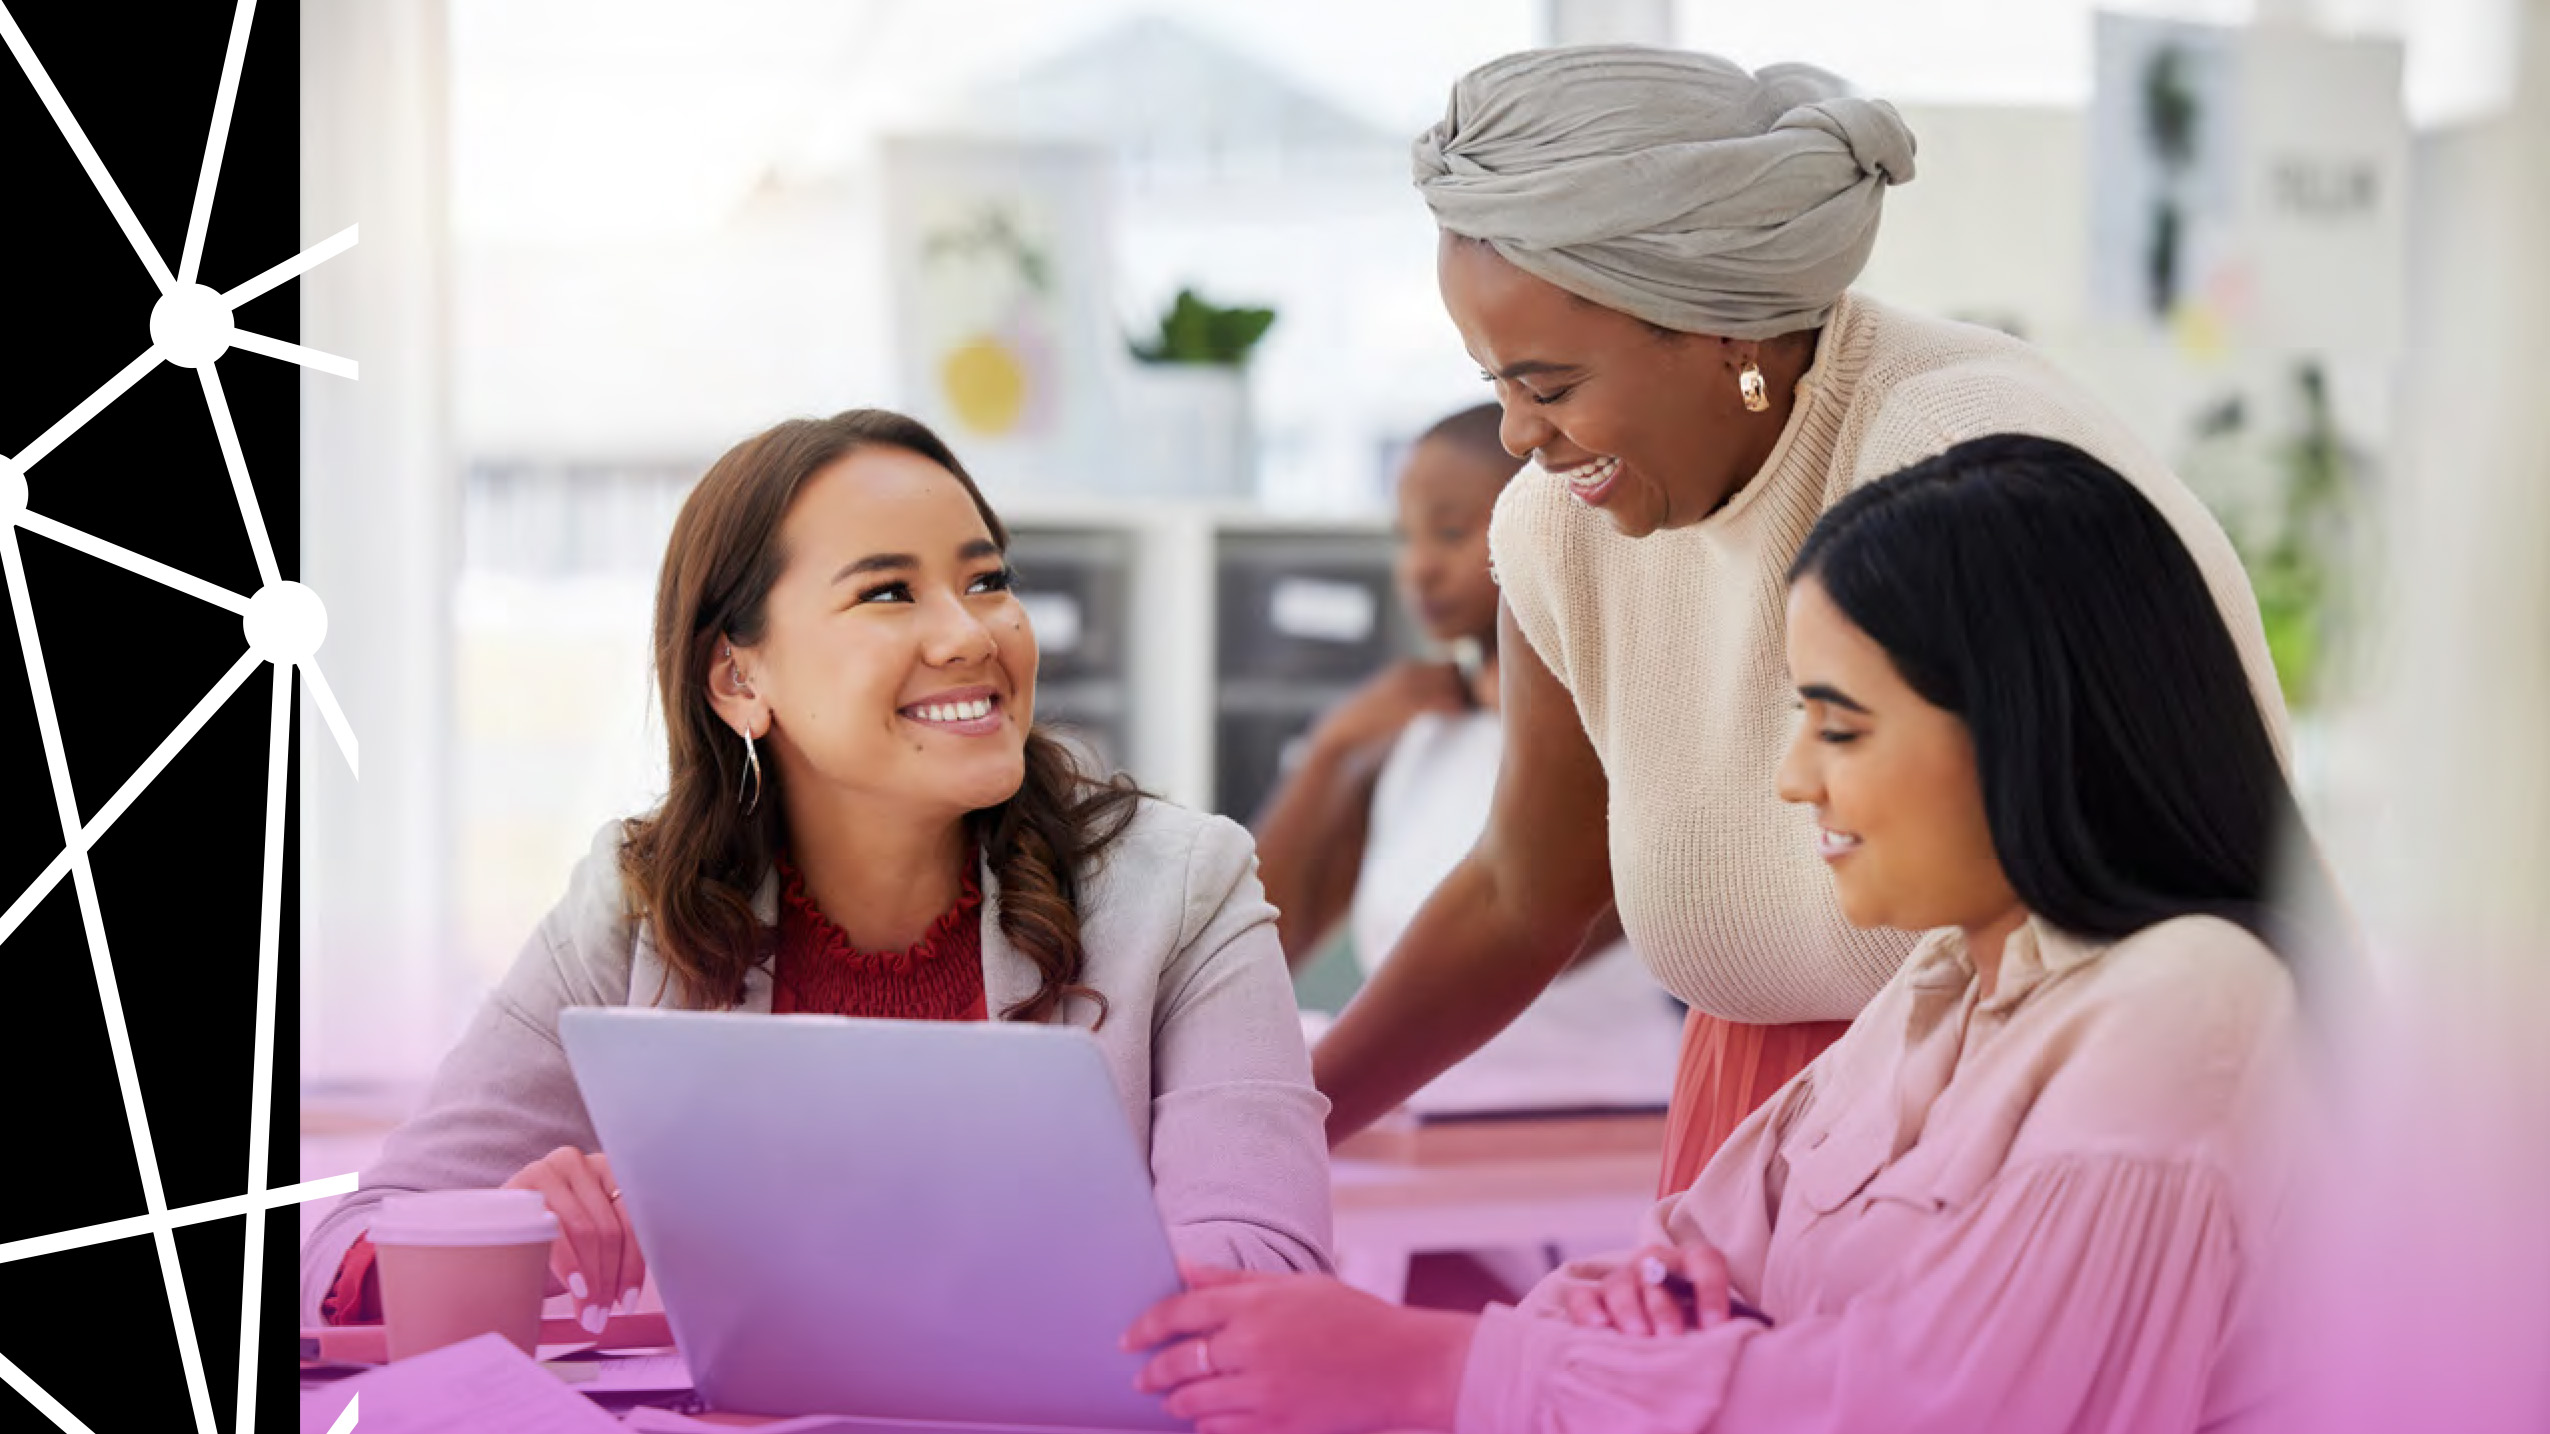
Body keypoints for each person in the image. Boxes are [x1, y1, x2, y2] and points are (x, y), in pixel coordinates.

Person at [1122, 434, 2330, 1434]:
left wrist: (1440, 1373)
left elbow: (1956, 1407)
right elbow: (1675, 1256)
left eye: (1840, 727)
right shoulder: (1945, 979)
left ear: (2032, 728)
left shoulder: (2191, 1004)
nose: (1793, 778)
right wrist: (1652, 1322)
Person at [1313, 45, 2291, 1197]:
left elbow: (2130, 890)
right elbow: (1523, 893)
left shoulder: (1959, 452)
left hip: (2031, 1120)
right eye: (1495, 386)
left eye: (1552, 386)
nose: (1520, 438)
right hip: (1750, 1130)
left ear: (1724, 327)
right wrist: (1281, 1127)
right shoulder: (1556, 525)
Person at [300, 409, 1334, 1333]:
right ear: (739, 678)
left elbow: (1270, 1272)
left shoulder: (1181, 888)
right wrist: (508, 1229)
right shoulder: (635, 910)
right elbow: (339, 1248)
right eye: (889, 592)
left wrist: (831, 1230)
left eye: (988, 581)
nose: (972, 633)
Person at [1250, 402, 1680, 1118]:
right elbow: (1257, 953)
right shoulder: (1414, 731)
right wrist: (1332, 752)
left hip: (1591, 1116)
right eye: (1405, 537)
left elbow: (1531, 928)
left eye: (1450, 532)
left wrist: (1313, 1103)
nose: (1417, 567)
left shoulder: (1625, 728)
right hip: (1413, 1109)